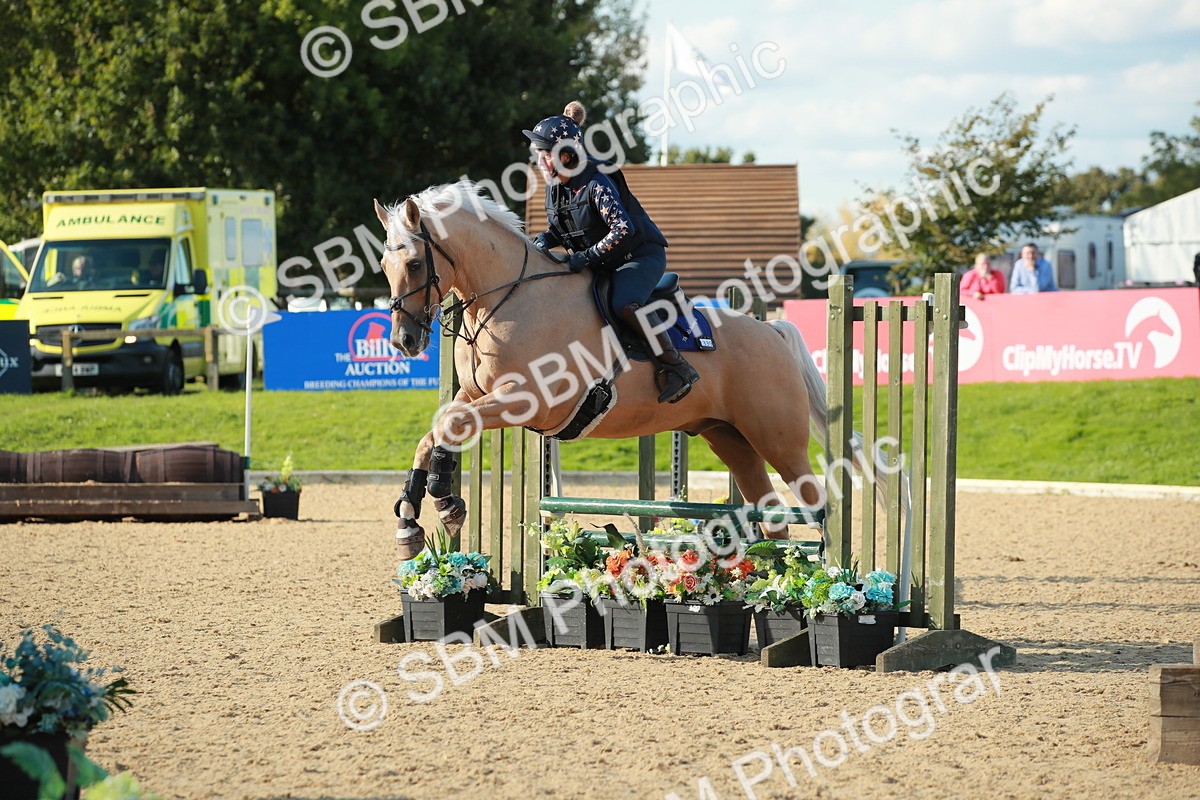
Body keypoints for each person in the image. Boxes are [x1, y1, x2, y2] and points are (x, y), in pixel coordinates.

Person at [524, 101, 699, 404]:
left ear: (565, 156)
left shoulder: (596, 183)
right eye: (538, 154)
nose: (538, 161)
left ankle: (676, 367)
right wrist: (541, 241)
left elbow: (622, 229)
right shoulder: (555, 188)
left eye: (543, 155)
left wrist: (585, 257)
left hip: (640, 256)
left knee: (623, 304)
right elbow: (559, 230)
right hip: (606, 260)